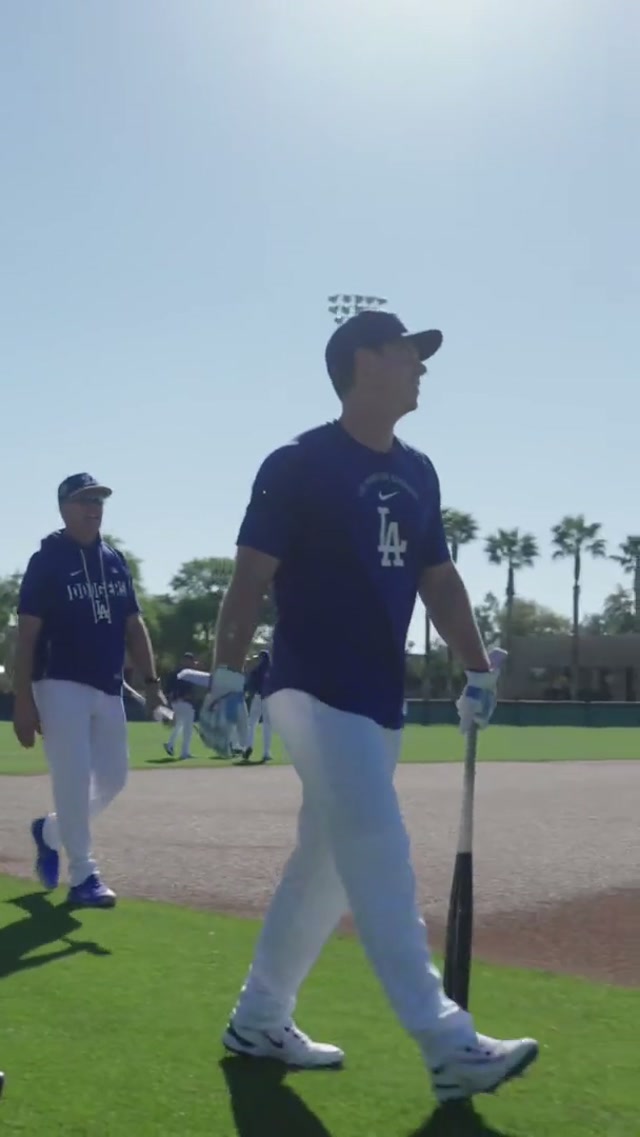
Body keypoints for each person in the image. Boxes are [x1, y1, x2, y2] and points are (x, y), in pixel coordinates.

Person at [200, 310, 538, 1105]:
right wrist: (221, 676)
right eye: (407, 354)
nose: (421, 367)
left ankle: (259, 1017)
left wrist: (479, 666)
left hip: (377, 696)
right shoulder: (298, 462)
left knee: (323, 866)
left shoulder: (420, 470)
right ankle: (446, 1037)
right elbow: (249, 577)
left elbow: (440, 580)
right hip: (311, 685)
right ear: (363, 362)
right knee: (379, 846)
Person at [13, 473, 167, 908]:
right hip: (58, 681)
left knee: (114, 778)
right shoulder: (47, 560)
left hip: (107, 685)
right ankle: (84, 875)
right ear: (64, 507)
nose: (94, 506)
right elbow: (26, 635)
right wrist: (23, 698)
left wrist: (152, 684)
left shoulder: (114, 559)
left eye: (99, 499)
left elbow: (133, 625)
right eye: (85, 500)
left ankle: (49, 832)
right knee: (73, 777)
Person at [164, 652, 199, 760]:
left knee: (179, 725)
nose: (193, 663)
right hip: (185, 703)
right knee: (187, 729)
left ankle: (170, 744)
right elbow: (187, 690)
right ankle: (184, 753)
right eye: (191, 661)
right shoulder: (187, 673)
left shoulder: (174, 673)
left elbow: (167, 689)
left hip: (176, 702)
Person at [241, 649, 273, 764]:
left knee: (252, 723)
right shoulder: (272, 670)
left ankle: (248, 746)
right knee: (267, 726)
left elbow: (250, 684)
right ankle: (266, 752)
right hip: (268, 698)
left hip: (257, 697)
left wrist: (250, 692)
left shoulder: (256, 670)